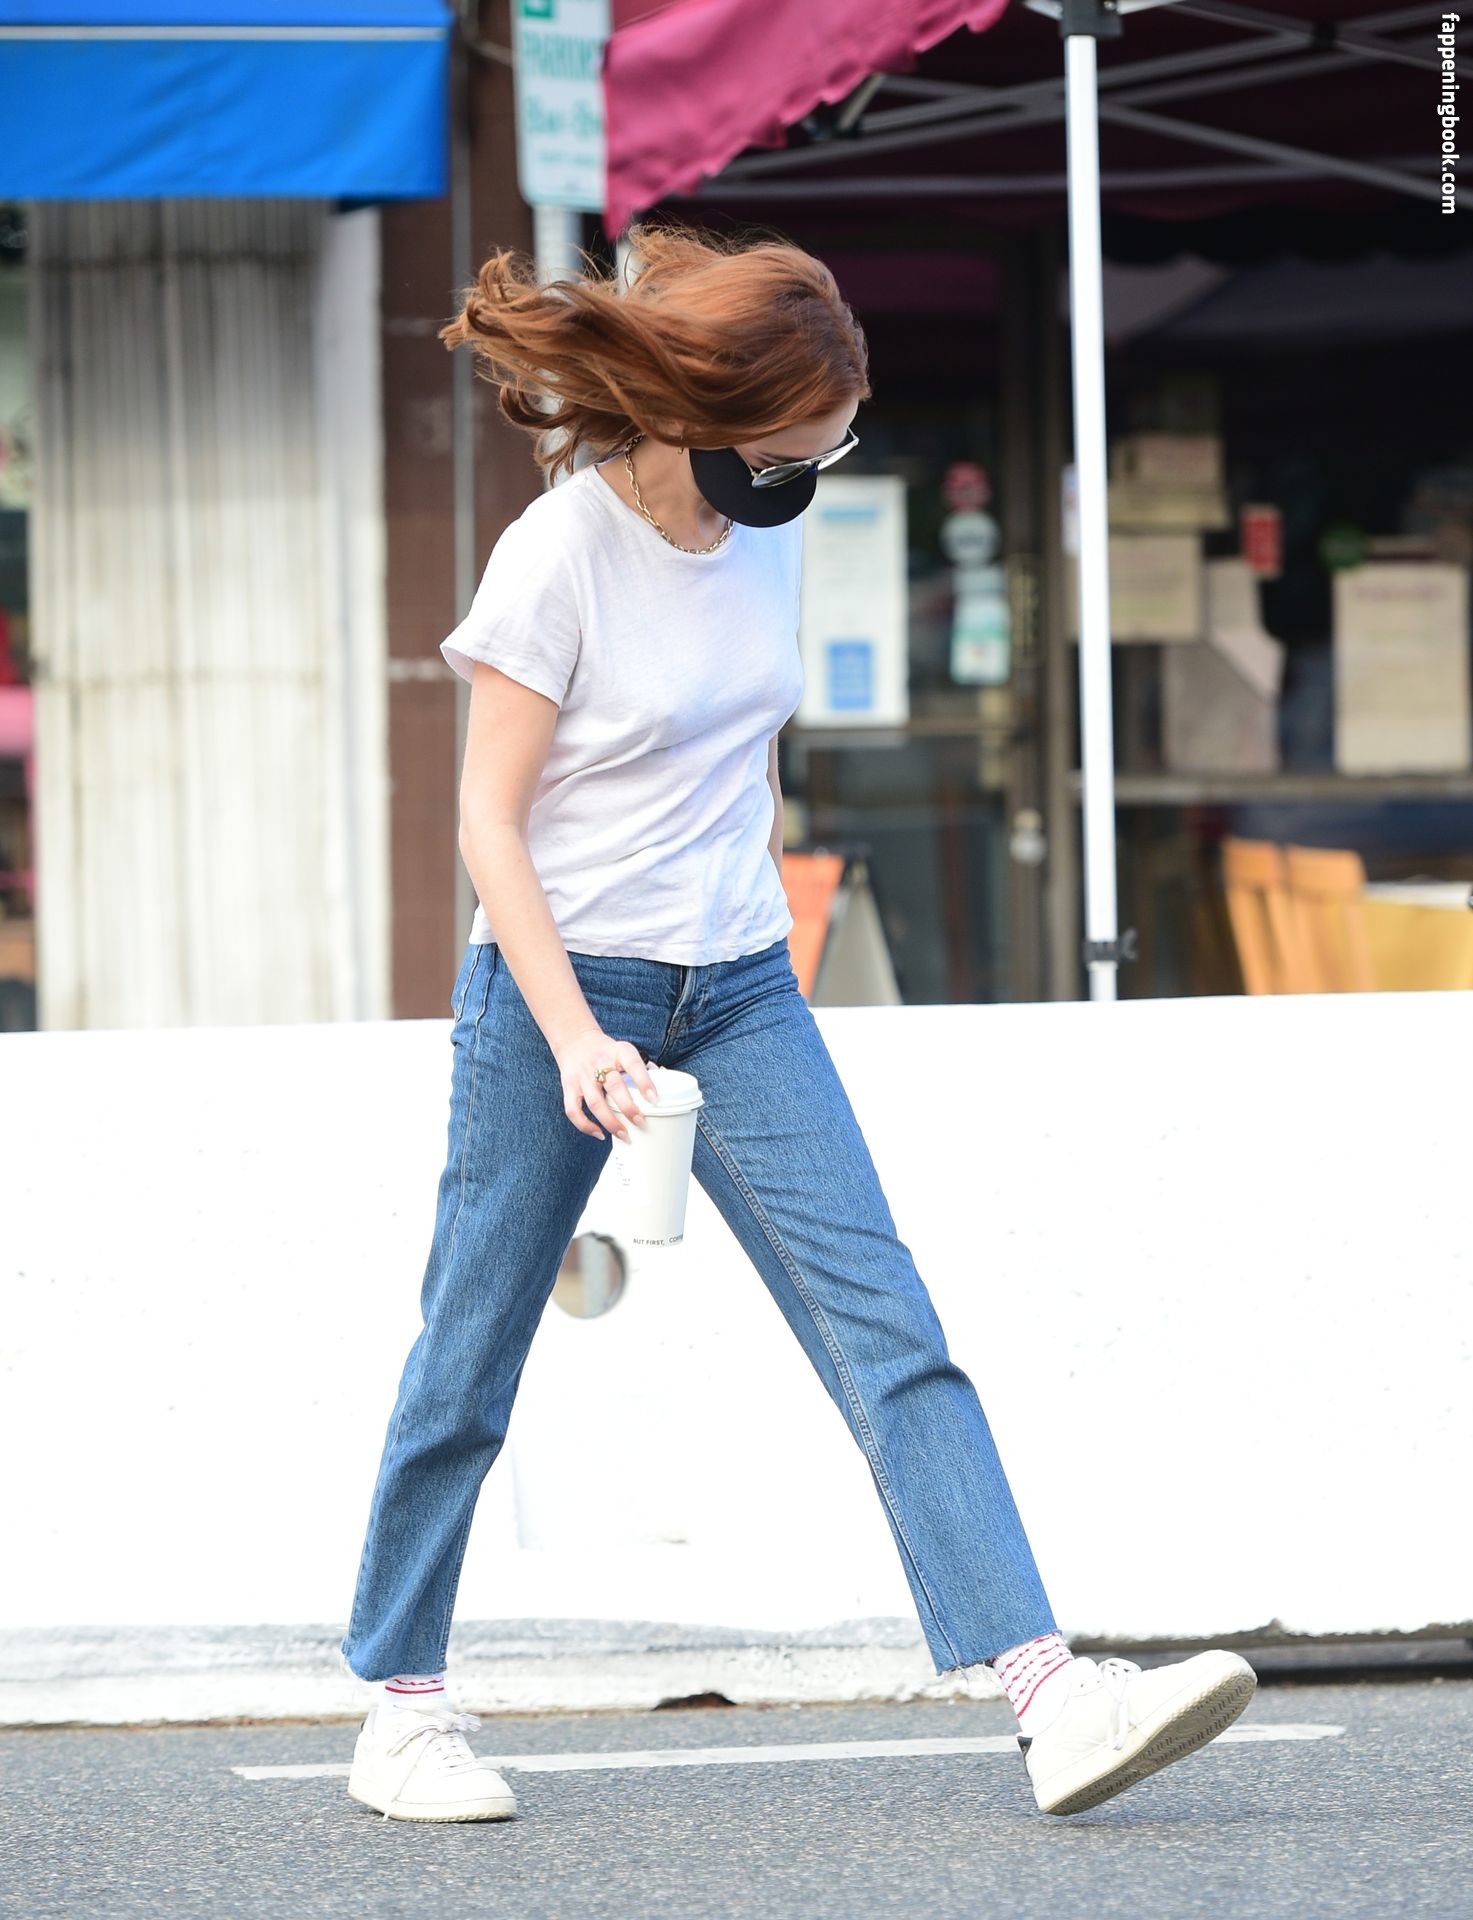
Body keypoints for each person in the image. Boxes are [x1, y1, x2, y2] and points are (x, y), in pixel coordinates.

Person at [339, 221, 1256, 1824]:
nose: (809, 474)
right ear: (697, 410)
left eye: (827, 447)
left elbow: (736, 753)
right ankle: (401, 1709)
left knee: (887, 1330)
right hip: (563, 989)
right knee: (470, 1347)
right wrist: (575, 1037)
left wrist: (756, 919)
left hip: (743, 986)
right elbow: (487, 823)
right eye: (790, 447)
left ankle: (1048, 1694)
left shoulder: (767, 538)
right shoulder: (556, 558)